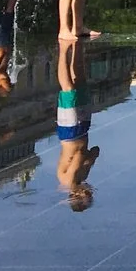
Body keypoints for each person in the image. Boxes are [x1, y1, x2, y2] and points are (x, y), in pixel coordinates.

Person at [56, 35, 98, 210]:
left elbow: (82, 154)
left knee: (68, 90)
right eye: (90, 195)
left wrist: (87, 161)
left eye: (86, 195)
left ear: (75, 196)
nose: (89, 192)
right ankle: (77, 46)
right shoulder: (83, 177)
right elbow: (96, 150)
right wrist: (88, 160)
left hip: (70, 132)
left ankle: (63, 50)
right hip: (83, 129)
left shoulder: (69, 180)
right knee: (80, 82)